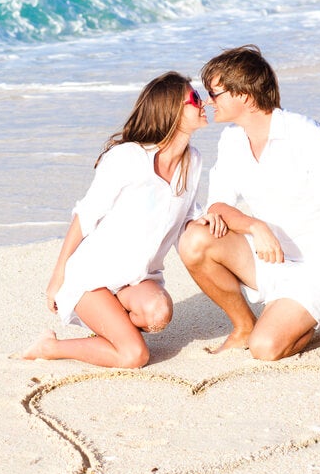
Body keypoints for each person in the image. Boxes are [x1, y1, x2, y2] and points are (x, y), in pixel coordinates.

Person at [21, 72, 226, 368]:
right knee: (135, 356)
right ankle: (51, 347)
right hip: (92, 278)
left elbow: (185, 216)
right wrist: (58, 277)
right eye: (194, 98)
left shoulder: (192, 161)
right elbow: (85, 214)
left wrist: (205, 220)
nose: (203, 102)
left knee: (158, 314)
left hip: (137, 279)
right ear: (171, 110)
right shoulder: (128, 158)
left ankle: (112, 326)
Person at [179, 45, 320, 360]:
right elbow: (217, 207)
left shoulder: (309, 137)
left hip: (316, 270)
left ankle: (317, 312)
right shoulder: (232, 141)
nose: (207, 101)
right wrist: (254, 226)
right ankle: (244, 326)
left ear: (245, 96)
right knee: (195, 239)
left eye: (214, 93)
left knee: (265, 349)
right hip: (269, 259)